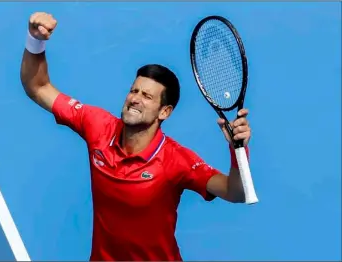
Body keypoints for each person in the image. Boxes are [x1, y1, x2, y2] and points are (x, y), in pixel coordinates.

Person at [20, 12, 253, 261]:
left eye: (147, 96)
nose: (135, 99)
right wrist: (35, 41)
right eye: (134, 90)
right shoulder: (97, 125)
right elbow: (39, 87)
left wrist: (238, 150)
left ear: (165, 112)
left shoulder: (176, 162)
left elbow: (235, 192)